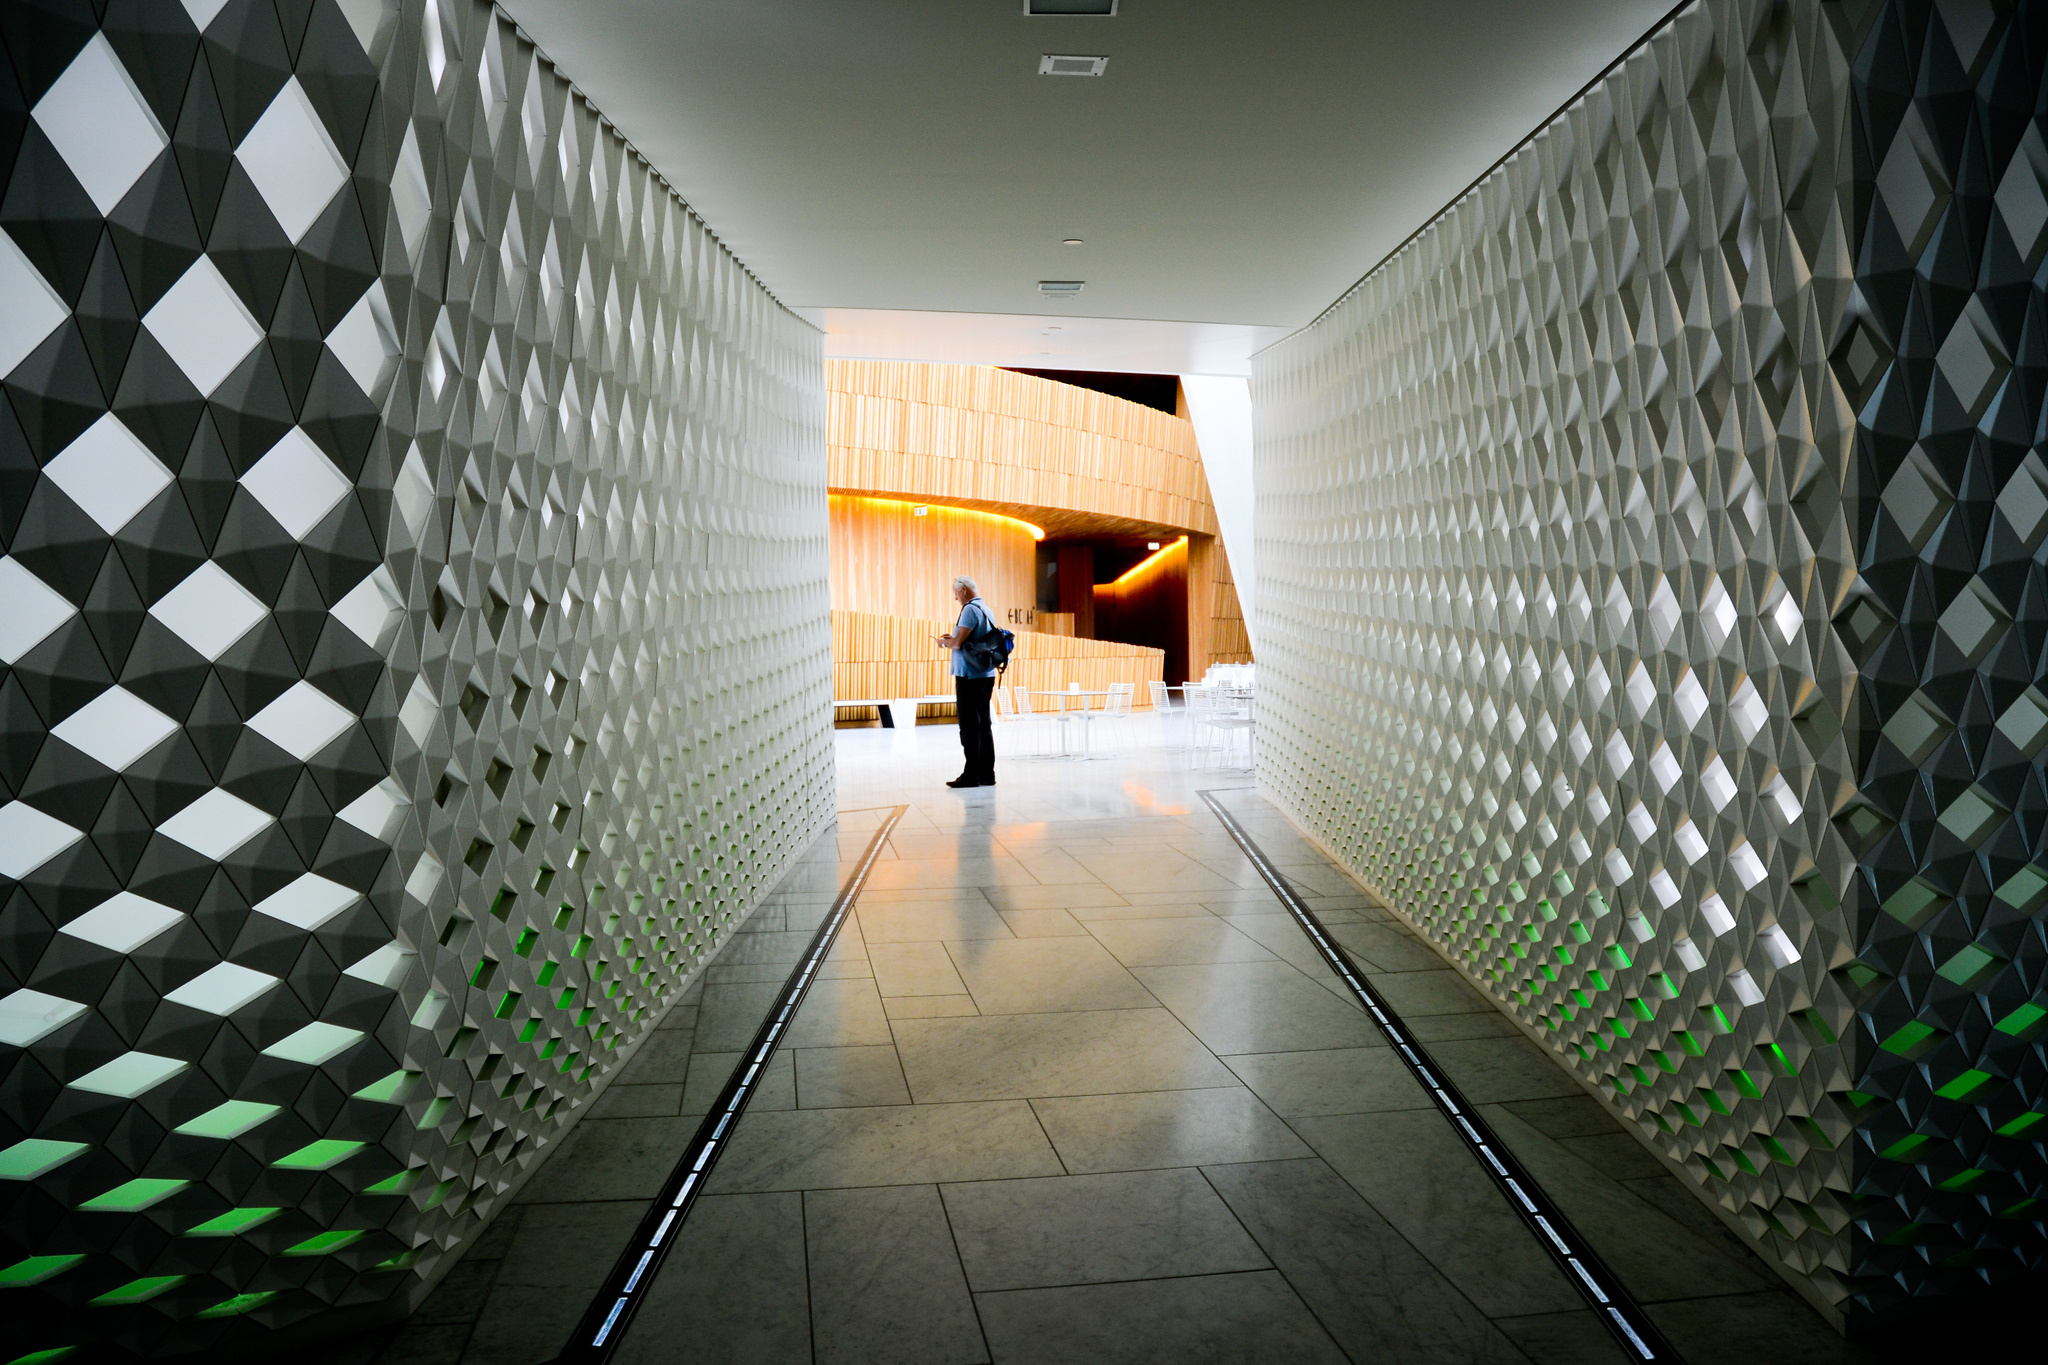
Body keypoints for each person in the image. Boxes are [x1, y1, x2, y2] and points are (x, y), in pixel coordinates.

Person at [934, 576, 997, 788]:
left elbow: (959, 643)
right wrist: (951, 639)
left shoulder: (970, 609)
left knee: (969, 726)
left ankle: (971, 776)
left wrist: (943, 643)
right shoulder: (986, 609)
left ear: (964, 591)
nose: (955, 597)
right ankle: (987, 774)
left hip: (969, 676)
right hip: (985, 674)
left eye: (956, 592)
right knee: (983, 725)